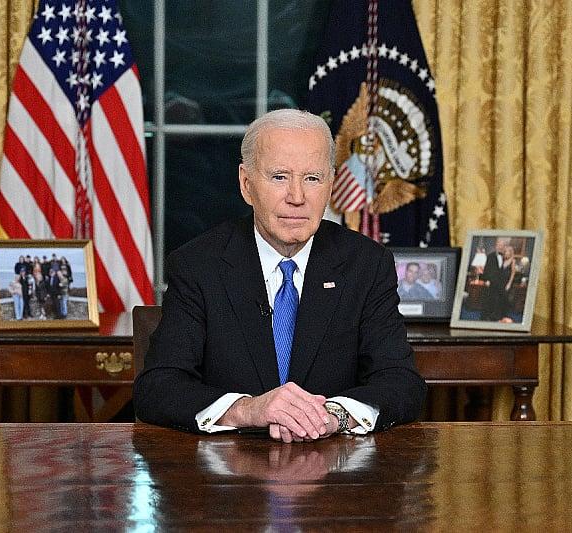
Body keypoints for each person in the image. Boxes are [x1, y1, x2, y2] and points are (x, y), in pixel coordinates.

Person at [134, 109, 427, 443]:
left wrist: (334, 415)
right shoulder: (198, 265)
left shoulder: (367, 265)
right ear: (246, 184)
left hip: (335, 466)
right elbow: (158, 387)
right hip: (227, 466)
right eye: (279, 177)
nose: (297, 197)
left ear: (331, 184)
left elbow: (401, 382)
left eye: (312, 178)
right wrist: (247, 410)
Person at [481, 238, 510, 321]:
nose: (500, 247)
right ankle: (486, 318)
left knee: (500, 301)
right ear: (496, 246)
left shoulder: (505, 257)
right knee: (490, 301)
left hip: (501, 283)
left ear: (504, 247)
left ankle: (497, 318)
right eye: (499, 245)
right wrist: (486, 280)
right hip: (492, 282)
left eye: (502, 245)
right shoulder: (490, 256)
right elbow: (486, 270)